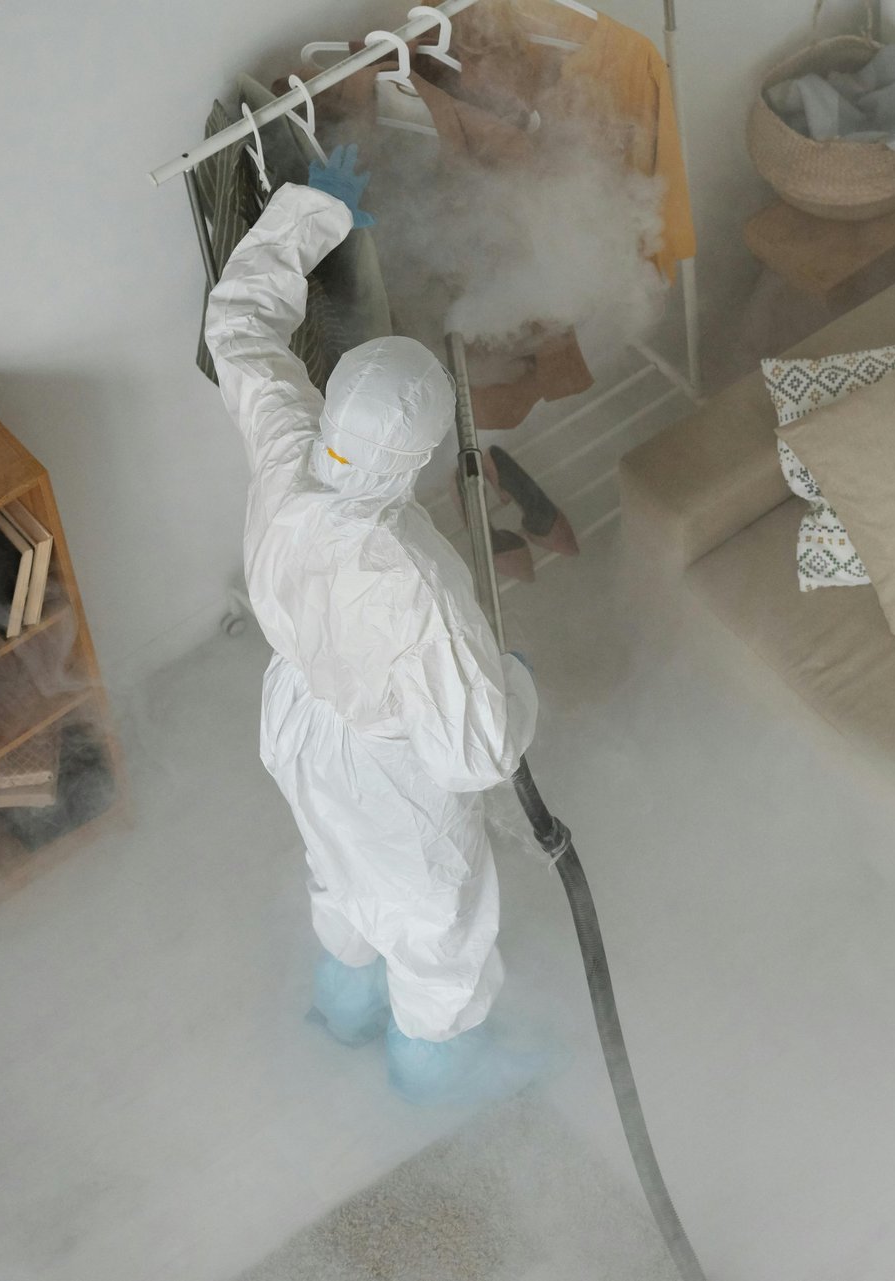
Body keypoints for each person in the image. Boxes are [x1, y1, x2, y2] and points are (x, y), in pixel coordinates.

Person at [203, 159, 539, 1105]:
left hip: (300, 724)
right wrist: (512, 683)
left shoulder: (287, 447)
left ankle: (341, 1008)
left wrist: (316, 218)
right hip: (393, 775)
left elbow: (239, 326)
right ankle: (430, 1079)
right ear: (422, 455)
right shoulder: (419, 583)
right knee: (436, 924)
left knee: (339, 871)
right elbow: (475, 752)